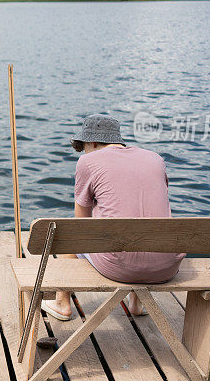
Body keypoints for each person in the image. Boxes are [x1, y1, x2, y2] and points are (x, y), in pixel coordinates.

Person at [41, 114, 185, 319]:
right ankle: (136, 302)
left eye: (83, 147)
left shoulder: (88, 161)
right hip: (166, 266)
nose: (84, 152)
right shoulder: (155, 158)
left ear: (92, 142)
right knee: (141, 218)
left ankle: (62, 303)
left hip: (120, 267)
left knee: (69, 234)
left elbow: (81, 223)